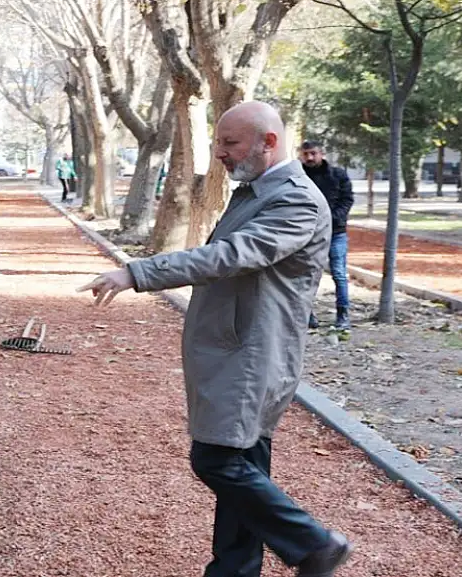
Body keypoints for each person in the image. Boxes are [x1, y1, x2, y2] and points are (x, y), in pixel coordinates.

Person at [77, 101, 352, 577]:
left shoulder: (297, 200)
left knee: (216, 460)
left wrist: (137, 272)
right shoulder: (253, 191)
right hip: (237, 351)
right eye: (218, 143)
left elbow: (227, 256)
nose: (220, 154)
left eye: (229, 143)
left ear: (268, 142)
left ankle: (313, 544)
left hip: (253, 356)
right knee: (243, 470)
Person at [300, 140, 354, 330]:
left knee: (339, 274)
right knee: (307, 275)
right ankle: (307, 315)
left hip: (336, 233)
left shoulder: (338, 175)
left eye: (313, 153)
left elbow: (347, 201)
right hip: (306, 234)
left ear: (322, 153)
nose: (309, 157)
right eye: (305, 153)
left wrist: (330, 220)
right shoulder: (298, 176)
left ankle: (343, 315)